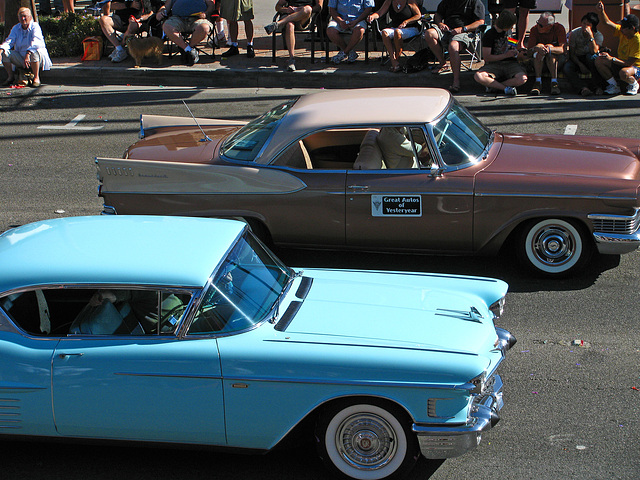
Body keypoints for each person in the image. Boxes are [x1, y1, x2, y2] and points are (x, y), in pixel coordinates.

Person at [423, 0, 485, 93]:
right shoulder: (447, 1)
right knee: (429, 33)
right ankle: (442, 62)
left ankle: (456, 82)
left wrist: (463, 29)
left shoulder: (475, 2)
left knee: (453, 46)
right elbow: (438, 14)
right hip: (447, 30)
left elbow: (480, 22)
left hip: (465, 32)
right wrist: (440, 23)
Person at [473, 9, 527, 96]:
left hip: (511, 64)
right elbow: (487, 57)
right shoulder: (489, 35)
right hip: (494, 64)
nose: (512, 28)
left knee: (522, 79)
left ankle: (493, 86)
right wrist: (505, 55)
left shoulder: (509, 32)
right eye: (511, 26)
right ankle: (505, 88)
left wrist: (518, 52)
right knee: (479, 76)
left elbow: (513, 46)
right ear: (505, 25)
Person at [264, 0, 324, 72]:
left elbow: (319, 7)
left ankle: (278, 24)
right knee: (289, 25)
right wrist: (287, 9)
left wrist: (300, 9)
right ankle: (291, 59)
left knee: (307, 9)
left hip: (303, 18)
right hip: (290, 16)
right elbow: (278, 7)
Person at [595, 2, 640, 95]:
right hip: (621, 63)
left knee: (624, 73)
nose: (621, 29)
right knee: (599, 61)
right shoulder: (622, 32)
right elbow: (607, 22)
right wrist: (601, 11)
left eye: (623, 27)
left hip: (635, 67)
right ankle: (614, 86)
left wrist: (612, 59)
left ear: (632, 28)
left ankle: (634, 83)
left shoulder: (637, 41)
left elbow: (629, 63)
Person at [1, 7, 52, 88]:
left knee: (33, 52)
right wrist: (1, 50)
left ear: (30, 17)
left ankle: (36, 77)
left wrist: (28, 53)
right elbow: (10, 41)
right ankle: (11, 77)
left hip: (36, 58)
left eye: (25, 16)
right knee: (4, 53)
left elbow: (36, 42)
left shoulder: (35, 26)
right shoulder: (16, 28)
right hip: (21, 57)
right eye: (20, 16)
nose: (23, 18)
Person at [367, 0, 423, 72]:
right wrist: (372, 16)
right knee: (384, 32)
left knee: (397, 32)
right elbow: (380, 12)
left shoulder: (410, 1)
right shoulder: (389, 1)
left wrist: (406, 21)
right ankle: (394, 61)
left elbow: (418, 15)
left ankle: (397, 59)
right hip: (395, 27)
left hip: (411, 28)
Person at [522, 11, 566, 95]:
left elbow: (562, 49)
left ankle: (554, 82)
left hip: (556, 61)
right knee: (539, 50)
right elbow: (529, 52)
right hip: (538, 60)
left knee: (550, 51)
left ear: (550, 26)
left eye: (541, 25)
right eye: (538, 23)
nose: (538, 26)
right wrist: (537, 48)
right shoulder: (534, 30)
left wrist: (549, 49)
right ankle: (538, 82)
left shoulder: (559, 28)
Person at [162, 0, 215, 65]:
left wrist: (206, 13)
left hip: (198, 18)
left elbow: (211, 5)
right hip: (178, 18)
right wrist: (161, 12)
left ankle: (187, 50)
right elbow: (166, 6)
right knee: (167, 27)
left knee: (204, 28)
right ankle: (189, 50)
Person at [563, 12, 603, 96]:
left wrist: (590, 37)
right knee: (567, 67)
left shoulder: (598, 35)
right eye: (584, 23)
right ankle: (582, 88)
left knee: (592, 58)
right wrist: (580, 65)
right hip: (577, 57)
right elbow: (572, 53)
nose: (585, 26)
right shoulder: (574, 33)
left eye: (588, 24)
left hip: (589, 58)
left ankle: (597, 87)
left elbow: (594, 52)